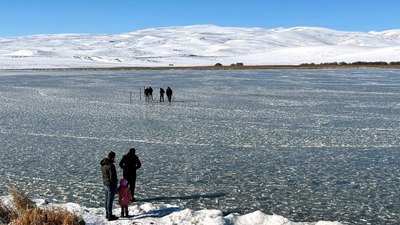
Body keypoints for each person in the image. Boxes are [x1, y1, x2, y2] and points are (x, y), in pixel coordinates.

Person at [100, 151, 118, 221]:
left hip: (105, 184)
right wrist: (115, 186)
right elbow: (112, 177)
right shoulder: (111, 165)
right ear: (113, 157)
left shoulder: (103, 164)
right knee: (110, 200)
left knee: (106, 199)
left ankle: (107, 213)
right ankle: (110, 215)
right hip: (110, 185)